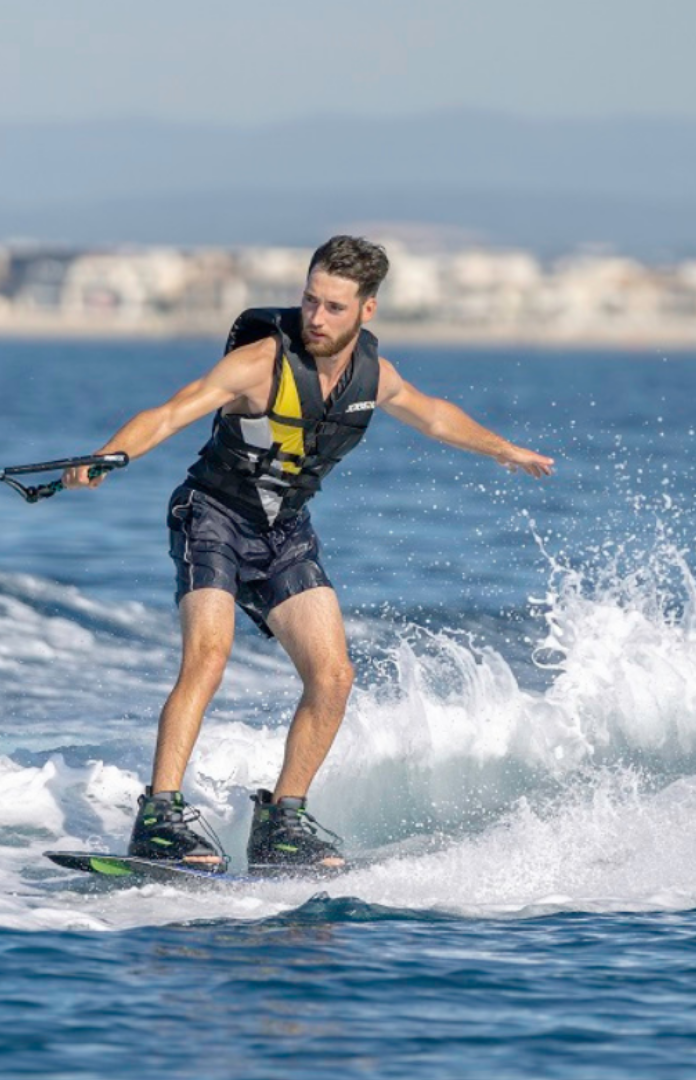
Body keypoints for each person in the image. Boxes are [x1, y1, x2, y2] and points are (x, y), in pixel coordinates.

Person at [64, 236, 554, 876]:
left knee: (334, 675)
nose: (316, 318)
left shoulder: (373, 377)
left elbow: (435, 417)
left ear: (367, 311)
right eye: (309, 300)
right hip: (212, 515)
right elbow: (171, 412)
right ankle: (160, 816)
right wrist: (108, 457)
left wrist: (504, 450)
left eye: (333, 308)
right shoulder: (260, 362)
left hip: (284, 532)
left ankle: (281, 822)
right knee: (209, 656)